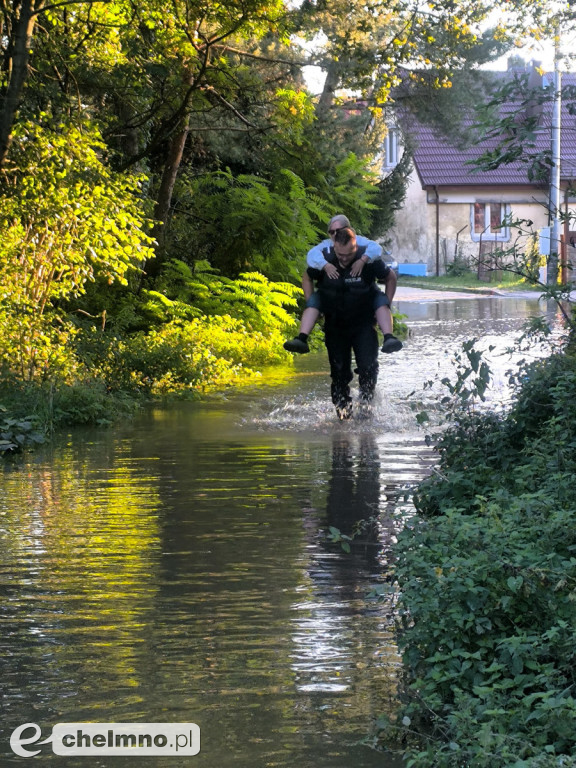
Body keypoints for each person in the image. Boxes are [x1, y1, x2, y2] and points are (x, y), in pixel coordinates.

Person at [299, 227, 393, 419]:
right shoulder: (324, 260)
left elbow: (390, 277)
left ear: (355, 247)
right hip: (335, 327)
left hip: (364, 326)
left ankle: (366, 408)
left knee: (368, 367)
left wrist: (385, 305)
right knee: (339, 372)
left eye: (348, 254)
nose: (344, 259)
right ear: (334, 248)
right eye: (340, 254)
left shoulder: (367, 259)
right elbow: (307, 276)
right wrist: (312, 304)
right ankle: (343, 416)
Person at [284, 214, 402, 355]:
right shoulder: (325, 248)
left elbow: (377, 250)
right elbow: (311, 259)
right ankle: (302, 338)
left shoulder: (363, 244)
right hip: (334, 298)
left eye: (339, 231)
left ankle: (388, 337)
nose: (335, 234)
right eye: (332, 232)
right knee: (315, 301)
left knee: (379, 300)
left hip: (363, 296)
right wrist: (325, 265)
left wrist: (363, 260)